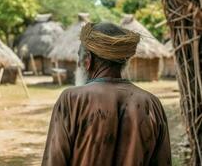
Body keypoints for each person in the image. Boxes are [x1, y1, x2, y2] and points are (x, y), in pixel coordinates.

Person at [42, 22, 171, 166]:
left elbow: (53, 161)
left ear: (88, 60)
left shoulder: (72, 100)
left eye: (80, 56)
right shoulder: (152, 104)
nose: (78, 64)